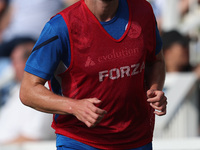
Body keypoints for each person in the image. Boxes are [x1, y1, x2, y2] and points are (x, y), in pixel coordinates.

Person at [20, 0, 167, 149]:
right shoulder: (60, 27)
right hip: (80, 141)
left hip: (137, 140)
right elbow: (28, 91)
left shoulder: (143, 11)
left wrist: (155, 89)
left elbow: (156, 61)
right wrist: (74, 107)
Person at [0, 40, 55, 144]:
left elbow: (34, 137)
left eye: (14, 62)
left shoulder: (44, 91)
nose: (12, 67)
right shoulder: (17, 88)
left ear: (28, 62)